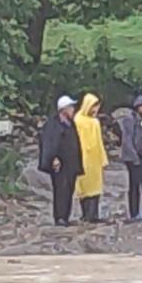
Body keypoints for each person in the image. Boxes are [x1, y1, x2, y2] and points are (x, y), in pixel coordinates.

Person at [38, 95, 83, 226]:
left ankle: (66, 216)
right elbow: (49, 143)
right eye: (71, 107)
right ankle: (60, 217)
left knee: (69, 190)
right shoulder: (53, 124)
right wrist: (52, 158)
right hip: (59, 164)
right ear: (64, 109)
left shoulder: (70, 124)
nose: (73, 109)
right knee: (60, 190)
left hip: (71, 164)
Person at [117, 94, 142, 220]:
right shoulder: (130, 119)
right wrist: (134, 157)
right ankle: (134, 213)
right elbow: (127, 139)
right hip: (135, 157)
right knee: (135, 186)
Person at [74, 93, 109, 223]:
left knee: (95, 187)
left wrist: (103, 159)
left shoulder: (95, 122)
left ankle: (93, 214)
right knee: (84, 187)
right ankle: (85, 214)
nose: (95, 110)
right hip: (82, 158)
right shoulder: (78, 120)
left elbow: (99, 142)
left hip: (94, 160)